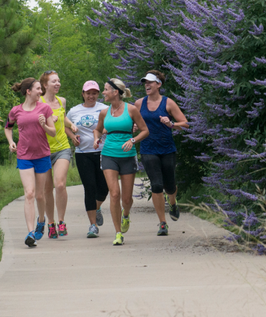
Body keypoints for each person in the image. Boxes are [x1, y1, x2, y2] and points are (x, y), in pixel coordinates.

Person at [93, 78, 149, 246]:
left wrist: (132, 140)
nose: (103, 93)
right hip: (109, 154)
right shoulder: (104, 112)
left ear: (115, 92)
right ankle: (118, 233)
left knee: (126, 199)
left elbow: (145, 130)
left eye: (105, 89)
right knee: (114, 194)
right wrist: (97, 139)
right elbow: (97, 129)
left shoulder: (131, 110)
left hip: (127, 156)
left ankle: (126, 214)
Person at [5, 77, 57, 248]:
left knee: (40, 195)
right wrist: (11, 141)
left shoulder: (45, 108)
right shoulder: (16, 111)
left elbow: (53, 133)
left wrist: (44, 125)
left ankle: (41, 220)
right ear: (28, 91)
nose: (40, 92)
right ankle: (30, 233)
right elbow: (8, 127)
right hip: (24, 156)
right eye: (37, 89)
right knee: (29, 193)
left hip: (42, 155)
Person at [135, 70, 188, 236]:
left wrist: (171, 123)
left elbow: (185, 124)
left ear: (159, 84)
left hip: (167, 149)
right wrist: (134, 127)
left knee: (170, 185)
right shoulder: (138, 104)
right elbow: (131, 123)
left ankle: (173, 203)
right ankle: (162, 223)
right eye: (145, 82)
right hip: (148, 148)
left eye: (150, 82)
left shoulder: (168, 103)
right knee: (157, 185)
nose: (147, 85)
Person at [39, 71, 78, 239]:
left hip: (62, 147)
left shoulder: (62, 101)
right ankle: (51, 222)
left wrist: (72, 124)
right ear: (45, 85)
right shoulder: (37, 102)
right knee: (47, 189)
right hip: (43, 150)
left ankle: (61, 220)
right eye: (54, 81)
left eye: (59, 81)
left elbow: (64, 118)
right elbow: (31, 121)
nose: (58, 84)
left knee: (60, 184)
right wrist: (48, 121)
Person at [67, 80, 109, 238]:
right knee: (89, 187)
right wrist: (72, 136)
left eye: (94, 93)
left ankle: (97, 207)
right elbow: (66, 125)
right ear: (83, 94)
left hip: (103, 151)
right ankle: (93, 225)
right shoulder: (74, 111)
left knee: (104, 188)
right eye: (88, 93)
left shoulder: (104, 109)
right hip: (83, 153)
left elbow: (111, 123)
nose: (91, 96)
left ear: (98, 94)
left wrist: (103, 130)